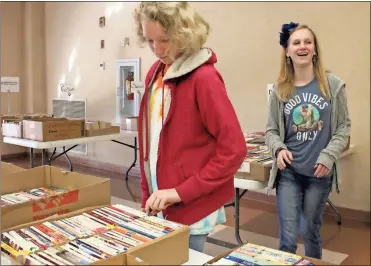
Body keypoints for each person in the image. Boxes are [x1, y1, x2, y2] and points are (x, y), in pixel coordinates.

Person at [133, 2, 247, 252]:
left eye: (164, 40)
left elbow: (234, 149)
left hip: (191, 204)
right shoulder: (156, 71)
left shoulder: (204, 78)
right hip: (161, 200)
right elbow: (151, 143)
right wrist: (147, 192)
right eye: (150, 41)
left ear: (183, 32)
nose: (157, 49)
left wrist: (181, 192)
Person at [265, 22, 351, 259]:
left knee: (310, 231)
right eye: (296, 42)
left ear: (315, 49)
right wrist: (278, 149)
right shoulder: (279, 90)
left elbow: (343, 127)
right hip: (289, 173)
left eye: (308, 42)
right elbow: (271, 130)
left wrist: (328, 155)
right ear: (287, 51)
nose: (302, 46)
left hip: (319, 174)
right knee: (288, 237)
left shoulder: (332, 85)